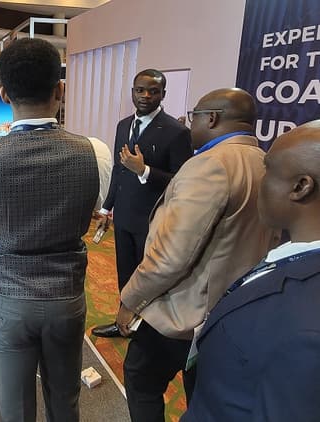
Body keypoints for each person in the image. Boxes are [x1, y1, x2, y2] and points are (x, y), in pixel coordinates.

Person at [0, 38, 111, 422]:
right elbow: (93, 203)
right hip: (66, 299)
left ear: (4, 94)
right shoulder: (96, 152)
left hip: (8, 300)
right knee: (65, 401)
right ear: (60, 90)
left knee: (13, 408)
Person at [114, 88, 279, 421]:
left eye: (195, 117)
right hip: (232, 312)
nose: (191, 125)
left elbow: (171, 256)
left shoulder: (209, 166)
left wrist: (130, 301)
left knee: (141, 378)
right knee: (203, 395)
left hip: (183, 313)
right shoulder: (267, 163)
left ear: (212, 118)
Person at [181, 120, 320, 422]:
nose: (259, 181)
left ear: (301, 187)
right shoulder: (294, 258)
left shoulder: (308, 332)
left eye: (267, 170)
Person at [91, 69, 193, 338]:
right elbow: (118, 169)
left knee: (147, 277)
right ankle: (123, 323)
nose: (146, 96)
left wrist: (144, 170)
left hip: (153, 219)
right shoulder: (123, 125)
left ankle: (146, 330)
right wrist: (106, 208)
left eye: (153, 91)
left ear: (163, 94)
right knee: (125, 272)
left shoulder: (177, 132)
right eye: (140, 90)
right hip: (124, 216)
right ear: (132, 92)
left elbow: (182, 181)